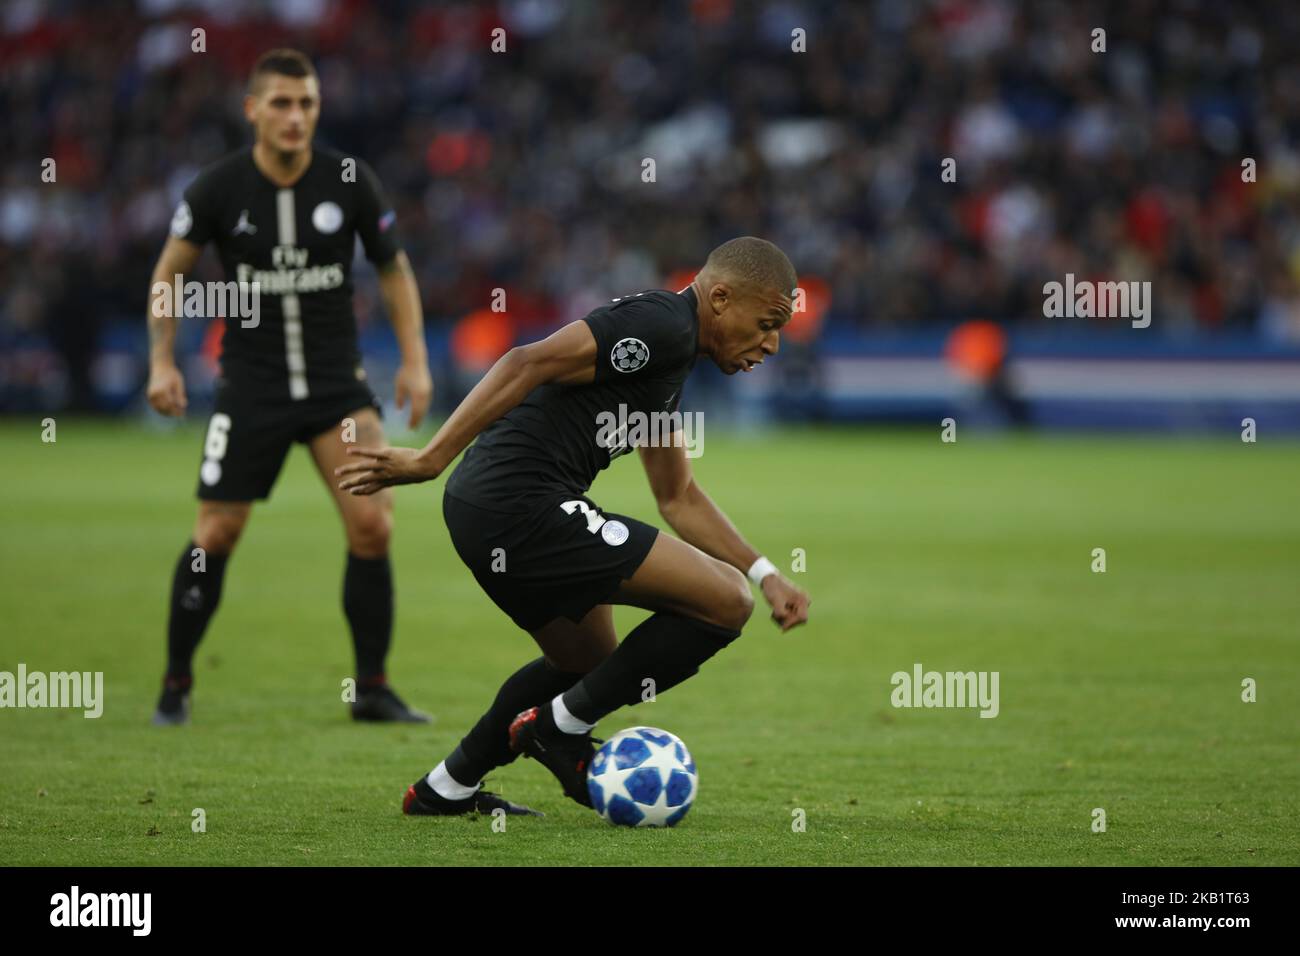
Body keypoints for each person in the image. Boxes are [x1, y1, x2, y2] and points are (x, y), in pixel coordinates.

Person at [336, 236, 812, 815]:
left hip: (490, 508)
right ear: (719, 297)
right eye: (766, 322)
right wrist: (430, 458)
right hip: (521, 504)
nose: (773, 342)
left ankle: (446, 787)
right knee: (724, 602)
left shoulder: (675, 357)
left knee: (584, 663)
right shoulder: (662, 325)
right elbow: (525, 361)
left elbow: (679, 496)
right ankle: (556, 731)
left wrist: (766, 573)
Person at [146, 49, 432, 725]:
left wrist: (415, 360)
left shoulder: (351, 181)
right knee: (216, 532)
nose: (295, 116)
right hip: (253, 386)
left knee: (373, 523)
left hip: (338, 387)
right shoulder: (215, 189)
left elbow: (394, 270)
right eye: (280, 102)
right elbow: (169, 272)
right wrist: (162, 359)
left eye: (306, 104)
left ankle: (372, 689)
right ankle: (176, 684)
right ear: (252, 110)